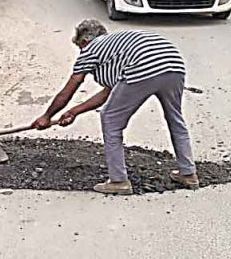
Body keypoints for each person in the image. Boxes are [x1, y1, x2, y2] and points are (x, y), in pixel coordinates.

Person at [33, 19, 198, 195]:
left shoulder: (90, 49)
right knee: (175, 118)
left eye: (80, 47)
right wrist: (74, 112)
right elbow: (109, 93)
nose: (81, 52)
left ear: (84, 41)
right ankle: (188, 173)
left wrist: (47, 116)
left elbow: (69, 90)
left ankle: (118, 181)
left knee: (110, 119)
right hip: (174, 65)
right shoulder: (117, 48)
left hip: (143, 66)